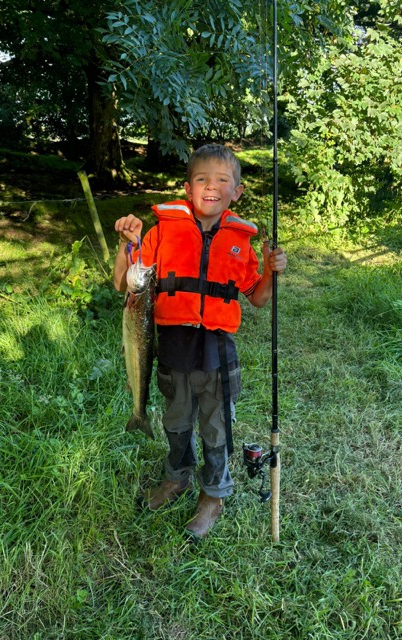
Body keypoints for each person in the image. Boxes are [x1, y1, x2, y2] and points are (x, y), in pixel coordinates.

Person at [113, 144, 287, 539]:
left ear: (236, 191)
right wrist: (127, 244)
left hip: (217, 355)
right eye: (202, 179)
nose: (212, 187)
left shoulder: (239, 242)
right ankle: (177, 479)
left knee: (216, 428)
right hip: (173, 350)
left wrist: (273, 272)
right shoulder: (161, 232)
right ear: (188, 188)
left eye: (222, 180)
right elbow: (124, 282)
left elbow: (258, 298)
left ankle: (214, 494)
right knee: (175, 423)